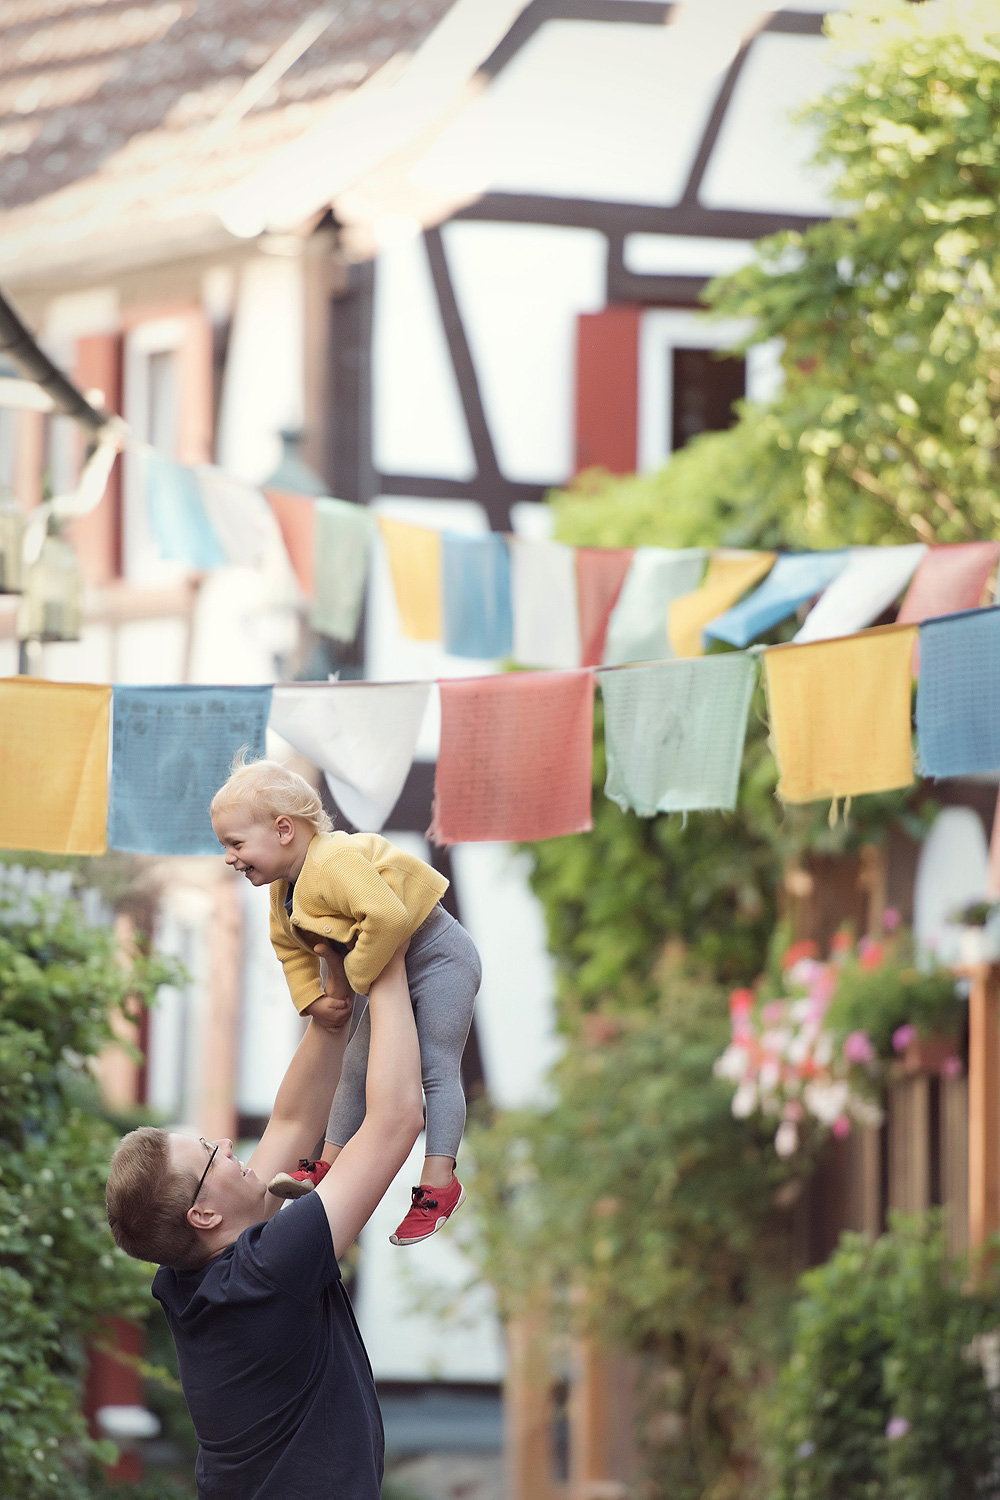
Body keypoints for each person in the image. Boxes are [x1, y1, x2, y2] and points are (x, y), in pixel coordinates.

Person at [106, 941, 423, 1500]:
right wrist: (388, 952)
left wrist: (333, 997)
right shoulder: (268, 1270)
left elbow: (296, 1118)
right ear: (203, 1213)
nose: (228, 1144)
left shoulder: (195, 1275)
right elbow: (397, 1118)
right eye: (210, 1151)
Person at [209, 755, 481, 1246]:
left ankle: (439, 1182)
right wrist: (312, 999)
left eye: (235, 843)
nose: (229, 856)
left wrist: (355, 977)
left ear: (284, 830)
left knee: (438, 1067)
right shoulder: (283, 893)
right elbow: (291, 951)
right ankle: (327, 1166)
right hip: (389, 970)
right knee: (356, 1067)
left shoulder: (334, 860)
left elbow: (390, 918)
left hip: (439, 956)